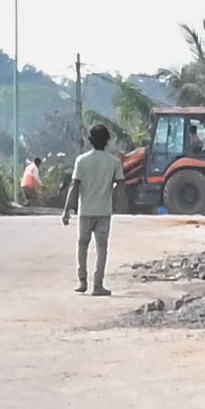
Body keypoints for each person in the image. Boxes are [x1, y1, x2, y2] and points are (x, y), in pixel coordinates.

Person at [66, 120, 124, 295]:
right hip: (104, 212)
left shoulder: (81, 161)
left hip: (85, 211)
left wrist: (66, 210)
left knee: (82, 245)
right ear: (107, 141)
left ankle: (82, 281)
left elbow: (74, 186)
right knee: (102, 249)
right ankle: (98, 285)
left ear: (90, 140)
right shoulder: (114, 162)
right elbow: (120, 186)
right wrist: (120, 204)